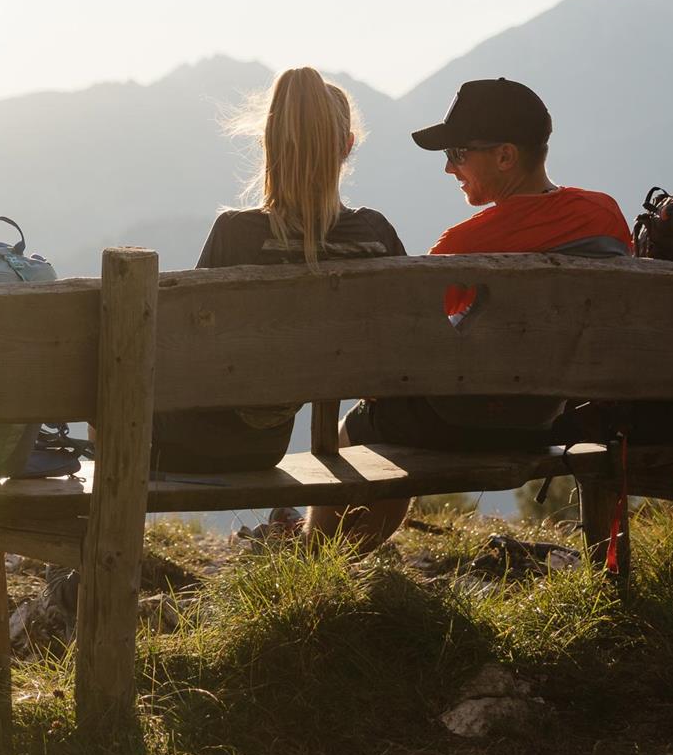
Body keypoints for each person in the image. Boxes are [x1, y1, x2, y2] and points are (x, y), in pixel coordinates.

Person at [307, 76, 632, 547]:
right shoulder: (604, 215)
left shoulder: (463, 248)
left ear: (505, 156)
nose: (448, 169)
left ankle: (316, 559)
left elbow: (410, 345)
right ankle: (330, 560)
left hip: (459, 423)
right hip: (548, 420)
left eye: (458, 154)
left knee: (357, 430)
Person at [151, 66, 407, 473]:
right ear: (348, 146)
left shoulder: (237, 234)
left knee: (113, 386)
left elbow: (180, 348)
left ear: (266, 143)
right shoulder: (376, 235)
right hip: (267, 445)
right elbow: (403, 344)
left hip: (186, 439)